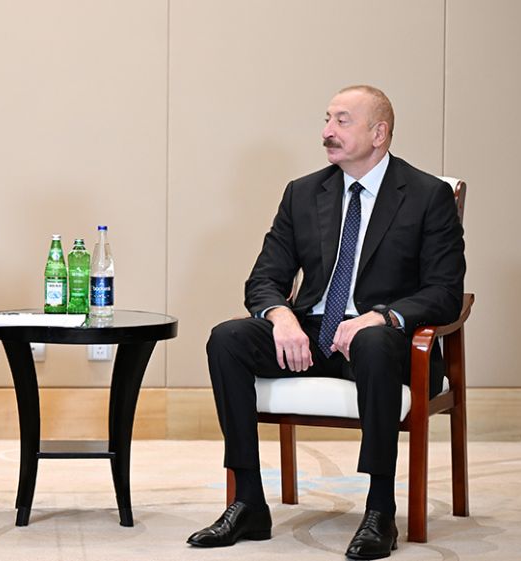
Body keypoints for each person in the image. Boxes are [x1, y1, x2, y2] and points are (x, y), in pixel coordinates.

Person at [186, 85, 465, 560]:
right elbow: (264, 278)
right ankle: (248, 501)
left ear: (379, 133)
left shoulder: (426, 195)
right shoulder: (303, 193)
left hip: (386, 344)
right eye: (327, 120)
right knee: (227, 339)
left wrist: (380, 317)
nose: (327, 132)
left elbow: (445, 291)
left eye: (341, 121)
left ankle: (379, 510)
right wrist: (281, 317)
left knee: (373, 342)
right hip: (312, 334)